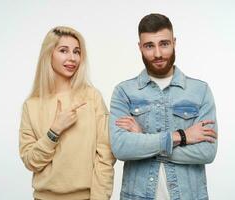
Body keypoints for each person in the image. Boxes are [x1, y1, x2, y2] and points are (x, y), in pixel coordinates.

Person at [109, 13, 218, 200]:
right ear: (140, 47)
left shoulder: (200, 91)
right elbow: (121, 148)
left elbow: (206, 152)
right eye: (149, 46)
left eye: (164, 44)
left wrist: (143, 140)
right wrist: (182, 136)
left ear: (174, 42)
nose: (158, 53)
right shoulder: (123, 91)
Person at [19, 26, 115, 200]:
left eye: (77, 52)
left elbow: (105, 155)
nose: (72, 58)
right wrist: (54, 131)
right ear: (49, 54)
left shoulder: (91, 97)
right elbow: (31, 161)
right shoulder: (31, 105)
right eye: (64, 50)